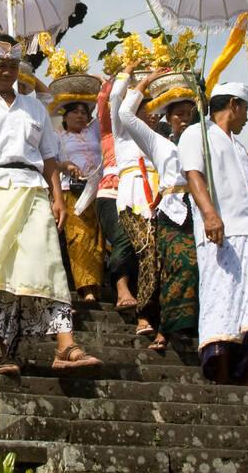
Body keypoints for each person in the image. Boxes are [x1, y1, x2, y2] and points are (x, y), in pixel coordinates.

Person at [0, 35, 103, 377]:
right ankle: (4, 350)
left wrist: (58, 197)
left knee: (47, 263)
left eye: (13, 66)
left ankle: (65, 344)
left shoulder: (34, 108)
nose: (7, 72)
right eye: (1, 65)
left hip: (33, 188)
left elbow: (50, 159)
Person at [178, 82, 248, 389]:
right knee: (224, 306)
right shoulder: (197, 133)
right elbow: (193, 174)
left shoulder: (236, 145)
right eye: (246, 109)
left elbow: (240, 180)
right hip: (223, 234)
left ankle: (247, 376)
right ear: (234, 105)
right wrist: (210, 214)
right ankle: (222, 378)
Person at [115, 68, 201, 352]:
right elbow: (126, 115)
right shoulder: (159, 143)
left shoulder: (205, 142)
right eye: (179, 114)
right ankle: (160, 326)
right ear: (167, 117)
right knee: (173, 266)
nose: (185, 119)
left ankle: (177, 329)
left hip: (201, 212)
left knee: (196, 269)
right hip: (171, 211)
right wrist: (146, 81)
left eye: (190, 113)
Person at [107, 72, 161, 338]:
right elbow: (116, 97)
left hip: (158, 197)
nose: (152, 115)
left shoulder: (158, 140)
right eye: (145, 109)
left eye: (154, 111)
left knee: (153, 253)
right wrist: (136, 76)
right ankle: (129, 299)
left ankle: (148, 314)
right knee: (135, 244)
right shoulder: (122, 133)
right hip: (131, 194)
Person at [94, 76, 141, 318]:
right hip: (111, 191)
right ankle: (121, 288)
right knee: (123, 238)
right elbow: (104, 99)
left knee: (141, 243)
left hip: (141, 194)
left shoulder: (145, 134)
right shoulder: (109, 131)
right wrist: (123, 74)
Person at [55, 100, 105, 304]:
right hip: (72, 191)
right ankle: (86, 287)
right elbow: (51, 162)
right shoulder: (57, 136)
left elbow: (103, 107)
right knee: (80, 238)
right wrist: (65, 165)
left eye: (84, 112)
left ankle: (98, 284)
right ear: (65, 116)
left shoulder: (94, 132)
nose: (80, 116)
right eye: (74, 112)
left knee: (99, 241)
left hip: (100, 190)